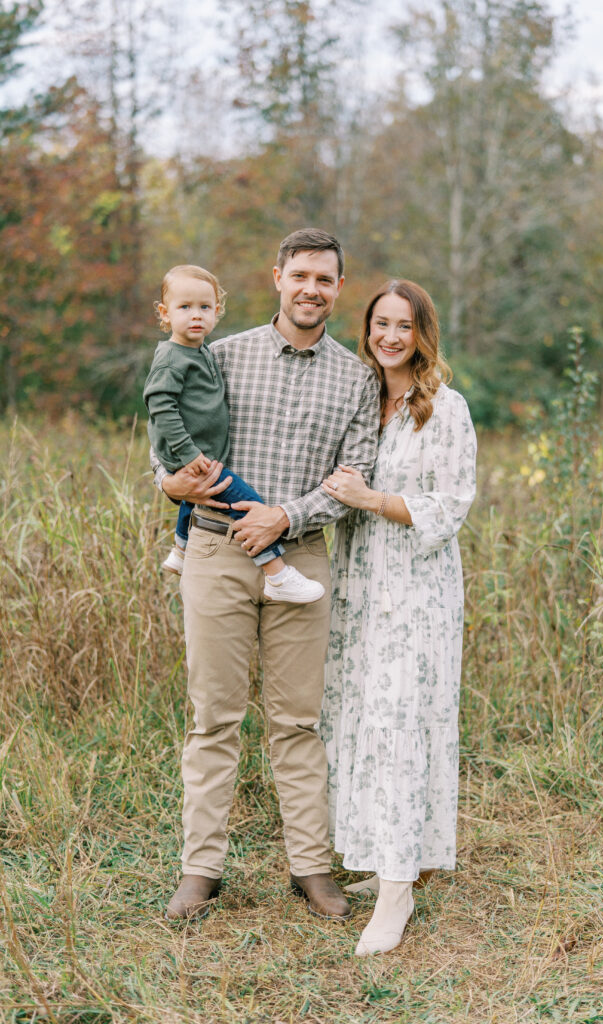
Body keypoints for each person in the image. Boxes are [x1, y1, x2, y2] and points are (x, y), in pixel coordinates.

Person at [150, 229, 380, 922]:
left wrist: (286, 516)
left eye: (325, 279)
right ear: (276, 277)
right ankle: (201, 871)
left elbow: (355, 477)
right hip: (216, 553)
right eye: (300, 274)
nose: (311, 288)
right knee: (213, 717)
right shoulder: (218, 354)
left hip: (301, 559)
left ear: (339, 288)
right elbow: (165, 448)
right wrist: (171, 487)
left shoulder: (356, 378)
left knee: (296, 722)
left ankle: (310, 867)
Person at [319, 279, 476, 956]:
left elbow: (449, 504)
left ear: (421, 334)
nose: (388, 336)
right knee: (358, 721)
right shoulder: (360, 401)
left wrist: (372, 497)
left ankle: (396, 892)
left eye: (402, 326)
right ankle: (385, 858)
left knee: (402, 724)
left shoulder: (443, 408)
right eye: (379, 323)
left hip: (415, 591)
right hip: (359, 584)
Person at [144, 263, 324, 604]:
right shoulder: (171, 356)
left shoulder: (203, 351)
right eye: (185, 307)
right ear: (164, 313)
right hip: (196, 456)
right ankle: (276, 572)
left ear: (217, 311)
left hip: (203, 453)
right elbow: (160, 407)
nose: (196, 315)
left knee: (201, 496)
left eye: (205, 307)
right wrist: (188, 455)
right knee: (247, 502)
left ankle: (180, 549)